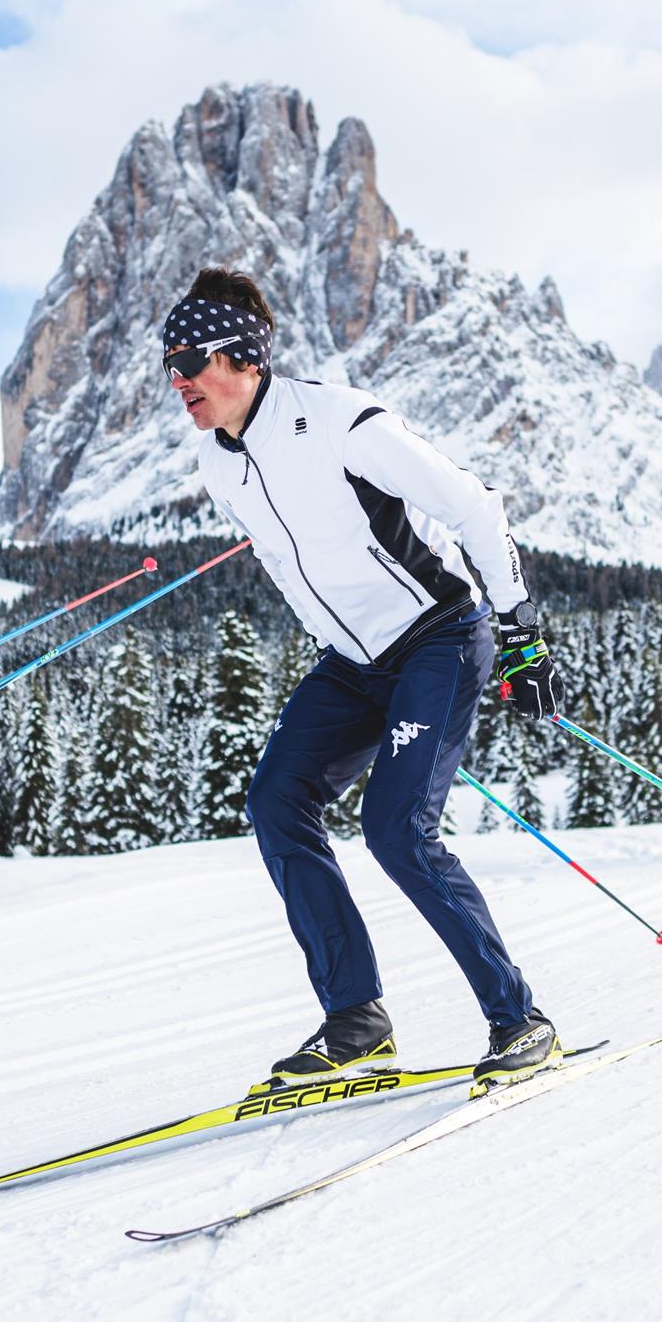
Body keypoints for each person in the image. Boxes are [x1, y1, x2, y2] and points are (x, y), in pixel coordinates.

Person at [163, 269, 566, 1093]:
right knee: (276, 799)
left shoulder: (341, 419)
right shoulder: (217, 462)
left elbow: (475, 507)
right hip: (352, 666)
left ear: (242, 358)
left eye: (190, 359)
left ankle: (519, 1019)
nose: (178, 380)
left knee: (395, 829)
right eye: (167, 364)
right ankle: (357, 1020)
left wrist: (521, 631)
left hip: (438, 640)